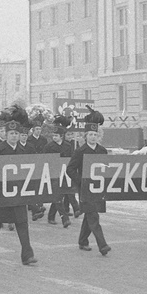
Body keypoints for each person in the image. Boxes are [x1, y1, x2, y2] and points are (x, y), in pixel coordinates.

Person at [0, 105, 38, 266]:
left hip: (18, 193)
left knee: (22, 222)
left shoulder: (23, 150)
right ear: (6, 135)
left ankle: (27, 255)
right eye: (11, 133)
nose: (14, 136)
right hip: (0, 194)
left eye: (16, 133)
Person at [66, 105, 110, 256]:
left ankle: (83, 240)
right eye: (90, 134)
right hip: (84, 188)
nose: (92, 137)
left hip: (97, 189)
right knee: (93, 215)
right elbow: (70, 169)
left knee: (89, 214)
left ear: (99, 136)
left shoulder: (102, 151)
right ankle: (102, 245)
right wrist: (81, 181)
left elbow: (107, 169)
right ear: (85, 136)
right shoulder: (80, 151)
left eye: (95, 134)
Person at [44, 114, 74, 228]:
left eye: (56, 135)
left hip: (65, 174)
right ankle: (64, 217)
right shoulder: (48, 147)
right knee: (57, 195)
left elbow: (71, 159)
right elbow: (45, 160)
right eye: (53, 135)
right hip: (53, 174)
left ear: (62, 136)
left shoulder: (68, 145)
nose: (54, 137)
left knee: (59, 195)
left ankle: (51, 216)